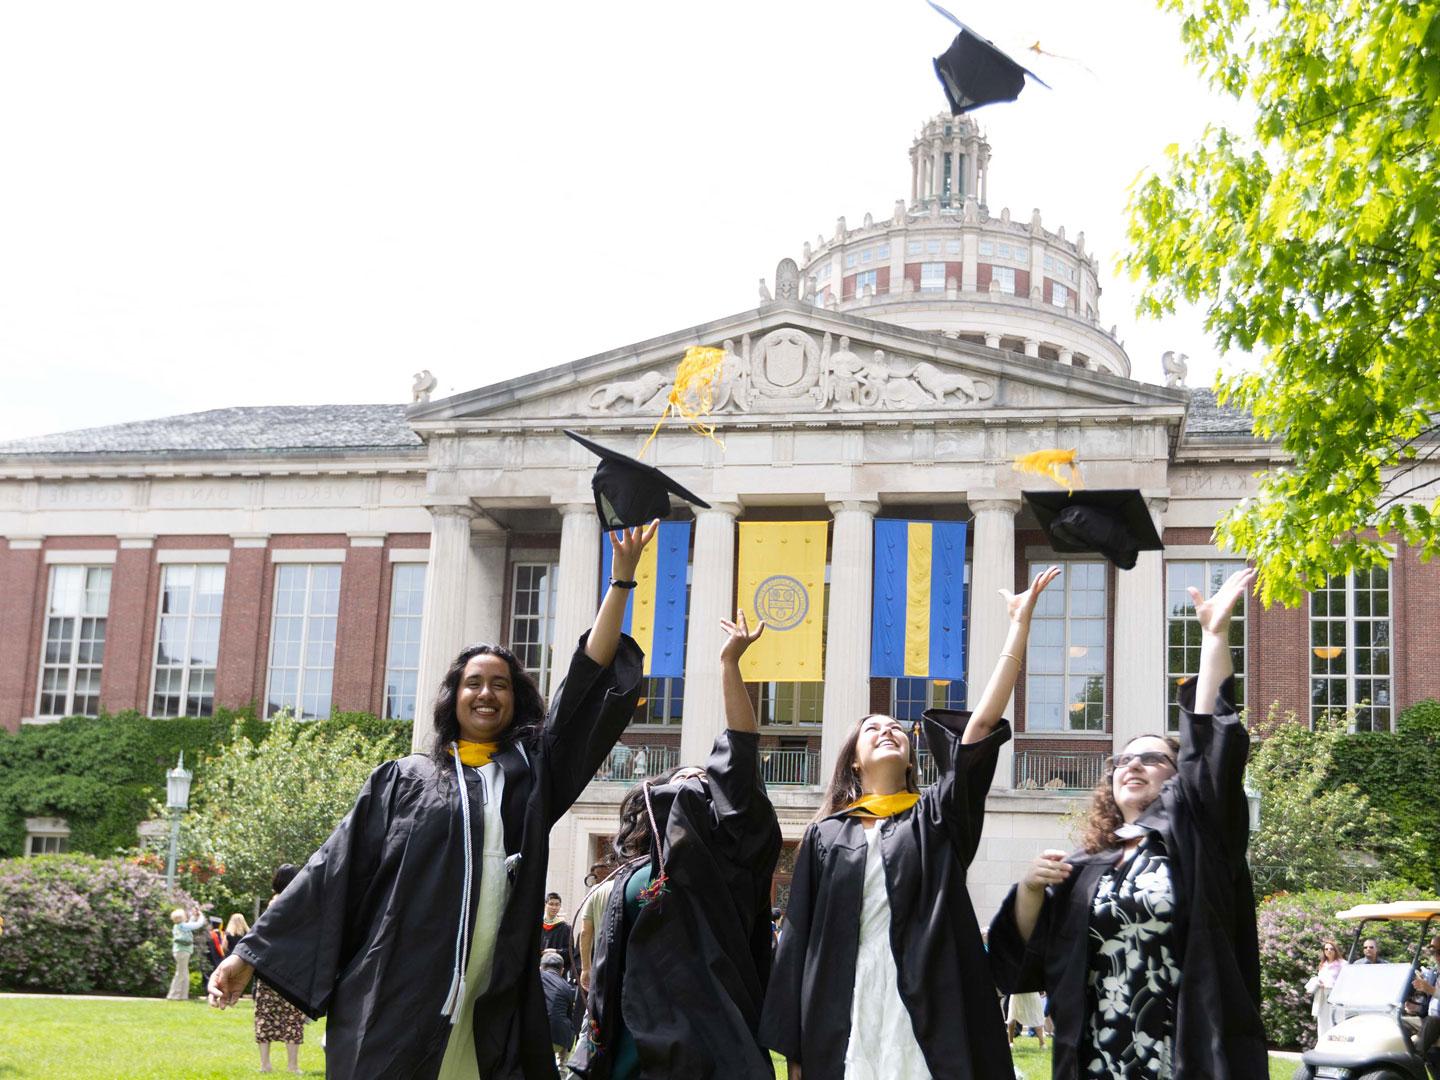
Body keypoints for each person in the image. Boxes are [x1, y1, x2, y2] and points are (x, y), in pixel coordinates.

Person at [207, 522, 656, 1080]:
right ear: (454, 695)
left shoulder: (533, 774)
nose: (486, 693)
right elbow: (332, 869)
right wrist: (247, 956)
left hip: (494, 992)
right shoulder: (404, 780)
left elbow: (585, 681)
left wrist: (620, 581)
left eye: (500, 684)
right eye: (473, 682)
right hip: (404, 986)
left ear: (517, 701)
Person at [761, 566, 1062, 1080]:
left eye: (896, 728)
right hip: (844, 1006)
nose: (887, 730)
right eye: (872, 728)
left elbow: (980, 730)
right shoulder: (826, 835)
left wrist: (1019, 628)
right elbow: (798, 940)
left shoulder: (936, 821)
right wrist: (796, 1056)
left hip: (925, 1002)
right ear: (854, 761)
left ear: (910, 759)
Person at [988, 567, 1267, 1079]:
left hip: (1185, 1057)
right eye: (1122, 761)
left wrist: (1214, 637)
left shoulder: (1197, 842)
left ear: (1178, 777)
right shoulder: (1091, 866)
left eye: (1152, 759)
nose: (1132, 765)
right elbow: (1019, 961)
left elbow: (1210, 747)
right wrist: (1029, 888)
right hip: (1098, 1059)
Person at [570, 609, 781, 1080]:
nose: (693, 778)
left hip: (701, 1047)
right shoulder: (632, 873)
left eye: (705, 782)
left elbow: (741, 758)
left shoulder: (728, 860)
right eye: (681, 778)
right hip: (627, 1044)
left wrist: (730, 666)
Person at [253, 864, 307, 1075]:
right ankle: (292, 1065)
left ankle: (265, 1064)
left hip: (269, 964)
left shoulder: (272, 902)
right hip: (291, 965)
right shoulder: (296, 902)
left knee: (265, 1014)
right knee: (292, 1015)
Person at [576, 863, 616, 995]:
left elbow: (585, 932)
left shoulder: (595, 891)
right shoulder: (628, 884)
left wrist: (586, 968)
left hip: (601, 960)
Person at [540, 950, 578, 1065]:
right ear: (562, 970)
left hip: (535, 1035)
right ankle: (562, 1068)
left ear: (541, 967)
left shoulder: (535, 979)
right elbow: (570, 1017)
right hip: (559, 1040)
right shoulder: (568, 988)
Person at [1411, 936, 1440, 1080]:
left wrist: (1432, 990)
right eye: (1434, 952)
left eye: (1439, 952)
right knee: (1399, 1022)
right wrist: (1414, 1007)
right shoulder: (1435, 972)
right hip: (1429, 1019)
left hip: (1436, 1021)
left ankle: (1416, 1061)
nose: (1436, 956)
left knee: (1433, 1020)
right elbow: (1429, 1003)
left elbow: (1434, 993)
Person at [167, 906, 207, 1000]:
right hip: (183, 952)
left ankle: (183, 996)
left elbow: (190, 924)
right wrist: (201, 915)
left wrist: (194, 915)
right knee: (181, 974)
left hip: (179, 952)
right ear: (182, 918)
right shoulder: (183, 926)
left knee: (184, 973)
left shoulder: (178, 926)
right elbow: (198, 924)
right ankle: (173, 995)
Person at [1309, 940, 1345, 1039]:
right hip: (1322, 994)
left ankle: (1335, 1043)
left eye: (1331, 949)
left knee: (1335, 1019)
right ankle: (1322, 1041)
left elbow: (1345, 981)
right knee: (1322, 1019)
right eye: (1326, 949)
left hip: (1335, 995)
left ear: (1335, 950)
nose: (1328, 951)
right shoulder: (1322, 964)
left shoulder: (1343, 964)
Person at [540, 893, 574, 980]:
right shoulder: (537, 926)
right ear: (545, 905)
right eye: (551, 904)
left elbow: (570, 952)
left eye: (557, 904)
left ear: (560, 906)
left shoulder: (566, 928)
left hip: (557, 973)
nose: (554, 907)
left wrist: (555, 951)